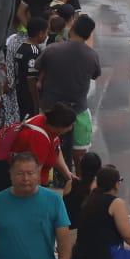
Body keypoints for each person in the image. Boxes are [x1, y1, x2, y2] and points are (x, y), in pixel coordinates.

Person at [38, 12, 101, 169]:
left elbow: (37, 70)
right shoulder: (92, 56)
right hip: (78, 110)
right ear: (88, 35)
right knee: (80, 157)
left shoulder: (52, 49)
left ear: (71, 29)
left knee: (43, 150)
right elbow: (95, 75)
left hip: (49, 110)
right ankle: (79, 183)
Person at [0, 103, 77, 193]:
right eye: (70, 125)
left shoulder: (45, 122)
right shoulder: (39, 138)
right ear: (60, 127)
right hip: (13, 184)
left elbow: (55, 149)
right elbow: (34, 174)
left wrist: (67, 174)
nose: (71, 128)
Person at [13, 16, 49, 119]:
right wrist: (36, 103)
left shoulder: (21, 47)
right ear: (40, 33)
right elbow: (31, 79)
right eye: (46, 32)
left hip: (20, 93)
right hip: (29, 96)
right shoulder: (33, 51)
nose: (46, 36)